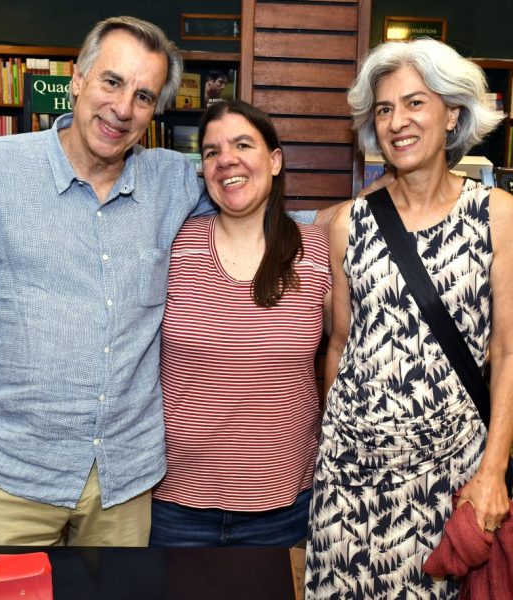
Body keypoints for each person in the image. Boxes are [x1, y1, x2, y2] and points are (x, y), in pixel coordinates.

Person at [0, 15, 216, 548]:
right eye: (112, 81)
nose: (123, 109)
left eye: (144, 96)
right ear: (77, 78)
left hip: (123, 484)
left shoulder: (172, 180)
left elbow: (256, 199)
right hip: (5, 479)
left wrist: (390, 200)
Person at [305, 38, 513, 598]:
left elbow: (507, 354)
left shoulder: (498, 215)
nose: (398, 121)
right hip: (350, 478)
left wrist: (492, 472)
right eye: (385, 108)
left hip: (447, 479)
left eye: (415, 103)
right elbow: (340, 344)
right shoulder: (348, 224)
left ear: (452, 114)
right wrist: (333, 443)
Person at [149, 100, 332, 547]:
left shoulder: (317, 252)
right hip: (176, 503)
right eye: (211, 152)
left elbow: (350, 352)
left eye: (242, 144)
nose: (225, 159)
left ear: (274, 160)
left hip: (283, 503)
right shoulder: (173, 245)